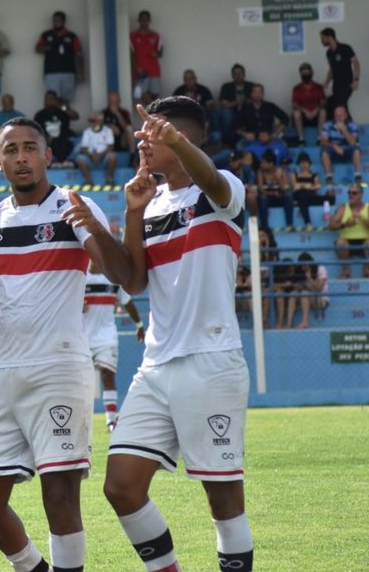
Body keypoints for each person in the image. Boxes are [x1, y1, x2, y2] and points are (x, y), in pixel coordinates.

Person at [0, 116, 130, 572]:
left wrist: (96, 228)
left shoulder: (74, 206)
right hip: (3, 370)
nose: (21, 157)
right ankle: (34, 567)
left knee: (60, 496)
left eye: (30, 147)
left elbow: (121, 273)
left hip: (59, 366)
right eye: (11, 149)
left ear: (47, 156)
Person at [107, 96, 253, 572]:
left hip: (210, 361)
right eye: (143, 135)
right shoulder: (151, 203)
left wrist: (175, 141)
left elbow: (209, 178)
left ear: (181, 136)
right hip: (156, 365)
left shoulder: (222, 187)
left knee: (223, 496)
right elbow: (133, 281)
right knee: (121, 486)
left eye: (151, 134)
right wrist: (131, 214)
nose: (141, 142)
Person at [84, 262, 145, 432]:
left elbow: (127, 302)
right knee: (80, 381)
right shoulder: (80, 278)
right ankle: (79, 420)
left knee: (107, 375)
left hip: (106, 336)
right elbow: (64, 301)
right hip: (82, 337)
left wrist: (139, 324)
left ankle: (110, 422)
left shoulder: (112, 279)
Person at [35, 11, 84, 105]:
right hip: (51, 72)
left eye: (58, 20)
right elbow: (37, 49)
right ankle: (55, 118)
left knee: (66, 99)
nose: (55, 23)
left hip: (68, 72)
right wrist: (46, 47)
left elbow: (79, 54)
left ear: (63, 21)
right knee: (52, 98)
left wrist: (80, 73)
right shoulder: (46, 35)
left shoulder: (72, 36)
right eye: (54, 21)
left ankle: (64, 118)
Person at [328, 183, 369, 278]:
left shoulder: (367, 208)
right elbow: (330, 226)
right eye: (349, 193)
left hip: (365, 242)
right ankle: (346, 271)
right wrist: (344, 224)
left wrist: (364, 220)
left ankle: (367, 270)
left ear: (361, 195)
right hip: (347, 242)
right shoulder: (343, 208)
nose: (351, 195)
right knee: (340, 242)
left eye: (354, 193)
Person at [290, 151, 335, 230]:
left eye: (305, 163)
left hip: (310, 196)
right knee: (302, 196)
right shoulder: (295, 174)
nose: (304, 165)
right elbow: (295, 187)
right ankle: (308, 223)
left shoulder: (314, 175)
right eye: (302, 163)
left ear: (309, 163)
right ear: (298, 164)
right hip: (298, 195)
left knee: (329, 199)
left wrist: (303, 186)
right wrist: (307, 186)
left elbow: (317, 187)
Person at [319, 105, 363, 185]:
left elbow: (353, 142)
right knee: (324, 150)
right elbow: (322, 141)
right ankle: (329, 177)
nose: (338, 118)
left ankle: (358, 176)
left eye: (341, 115)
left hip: (347, 149)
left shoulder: (352, 125)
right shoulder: (328, 125)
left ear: (346, 115)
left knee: (356, 149)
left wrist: (344, 130)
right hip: (333, 149)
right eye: (336, 116)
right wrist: (334, 146)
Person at [215, 64, 255, 148]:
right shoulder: (226, 86)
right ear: (232, 75)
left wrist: (245, 103)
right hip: (232, 112)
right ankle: (227, 142)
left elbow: (256, 101)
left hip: (247, 112)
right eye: (235, 73)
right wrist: (238, 102)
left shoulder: (251, 86)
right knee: (226, 113)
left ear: (244, 74)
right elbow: (224, 104)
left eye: (240, 73)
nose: (238, 75)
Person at [33, 91, 77, 165]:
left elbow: (75, 116)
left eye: (51, 99)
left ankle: (63, 162)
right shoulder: (40, 114)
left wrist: (60, 106)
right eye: (46, 99)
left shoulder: (63, 111)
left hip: (63, 139)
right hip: (47, 140)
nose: (48, 101)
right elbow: (36, 131)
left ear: (56, 100)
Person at [321, 26, 359, 111]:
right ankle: (346, 123)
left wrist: (356, 80)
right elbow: (331, 70)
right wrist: (326, 82)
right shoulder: (329, 53)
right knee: (339, 105)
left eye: (323, 38)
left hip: (347, 83)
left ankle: (348, 123)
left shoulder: (345, 48)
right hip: (336, 84)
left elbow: (356, 64)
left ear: (329, 37)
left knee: (341, 105)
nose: (322, 41)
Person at [75, 112, 117, 186]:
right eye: (90, 120)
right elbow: (84, 148)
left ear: (101, 121)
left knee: (112, 156)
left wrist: (101, 155)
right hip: (90, 158)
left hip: (104, 158)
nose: (92, 123)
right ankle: (89, 181)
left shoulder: (108, 131)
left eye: (94, 120)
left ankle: (109, 180)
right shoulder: (87, 132)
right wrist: (92, 155)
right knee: (80, 159)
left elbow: (111, 147)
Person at [255, 150, 294, 229]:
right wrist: (272, 194)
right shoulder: (260, 172)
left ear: (271, 164)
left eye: (263, 163)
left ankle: (289, 224)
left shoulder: (281, 171)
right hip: (268, 197)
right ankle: (264, 226)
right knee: (262, 198)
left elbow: (285, 189)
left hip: (280, 196)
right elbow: (261, 189)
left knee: (289, 197)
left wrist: (279, 179)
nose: (261, 165)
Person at [291, 62, 327, 145]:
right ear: (300, 74)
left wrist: (315, 110)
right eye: (303, 73)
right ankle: (301, 139)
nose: (305, 74)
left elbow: (323, 102)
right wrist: (305, 111)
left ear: (311, 73)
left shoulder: (318, 87)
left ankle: (319, 138)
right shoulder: (297, 88)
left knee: (323, 112)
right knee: (296, 113)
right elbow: (295, 104)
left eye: (307, 72)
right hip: (304, 116)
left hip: (316, 115)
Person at [129, 10, 163, 99]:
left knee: (155, 94)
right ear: (139, 20)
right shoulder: (132, 36)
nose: (144, 21)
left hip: (154, 70)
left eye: (146, 19)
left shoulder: (155, 35)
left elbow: (160, 52)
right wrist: (136, 67)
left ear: (149, 20)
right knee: (141, 94)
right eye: (142, 19)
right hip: (140, 71)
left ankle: (152, 111)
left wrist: (156, 54)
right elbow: (130, 54)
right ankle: (152, 111)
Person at [291, 251, 329, 329]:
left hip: (321, 299)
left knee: (304, 293)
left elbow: (319, 288)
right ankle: (289, 324)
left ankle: (305, 322)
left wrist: (309, 278)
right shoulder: (300, 270)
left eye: (304, 265)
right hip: (306, 296)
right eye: (301, 266)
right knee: (293, 294)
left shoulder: (320, 269)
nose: (303, 268)